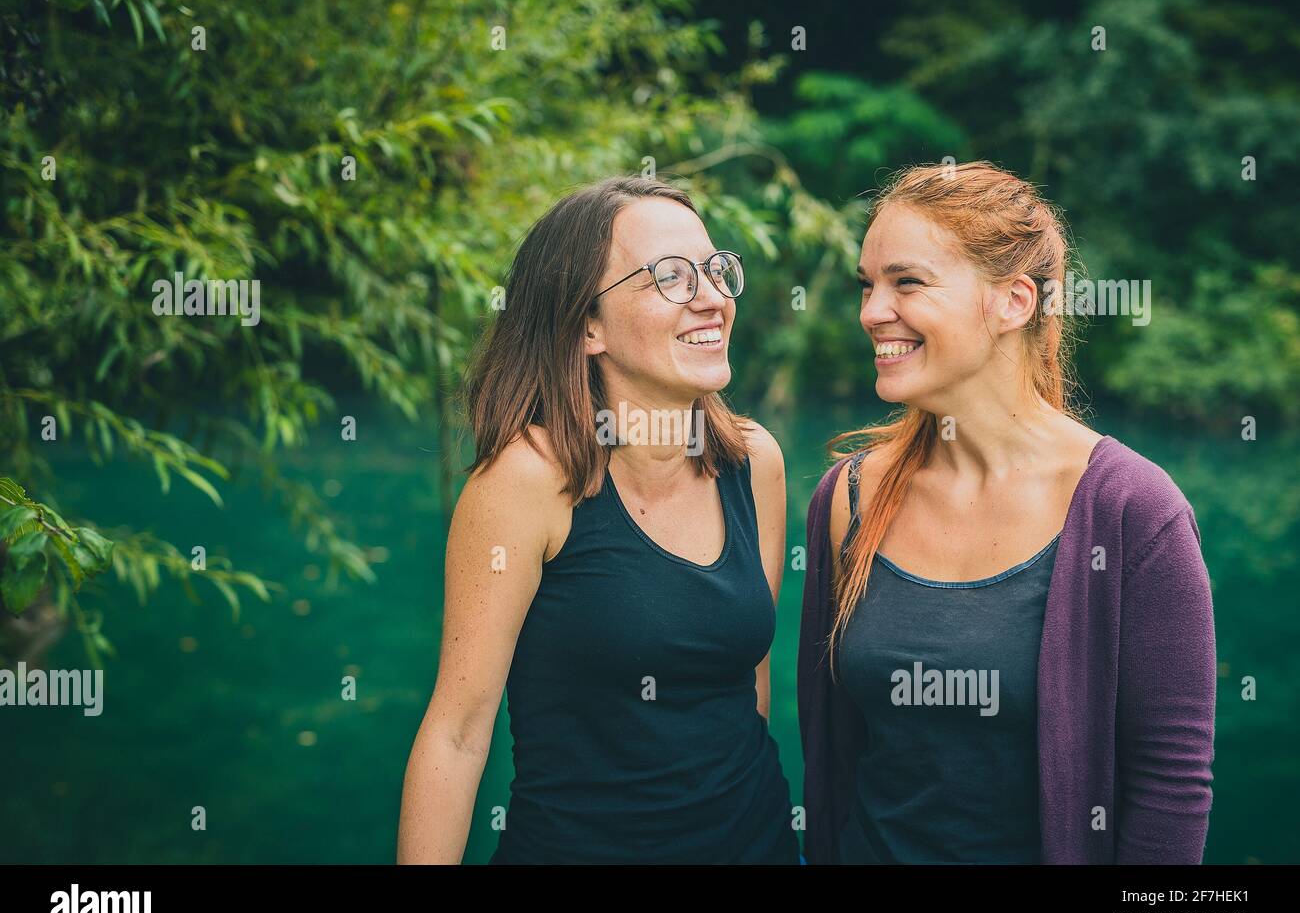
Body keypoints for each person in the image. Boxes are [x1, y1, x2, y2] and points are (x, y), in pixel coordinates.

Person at [798, 160, 1216, 864]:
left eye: (906, 282)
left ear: (1013, 302)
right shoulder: (848, 498)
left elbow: (1170, 788)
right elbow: (831, 757)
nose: (871, 310)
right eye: (867, 286)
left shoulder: (1134, 512)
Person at [398, 175, 799, 864]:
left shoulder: (753, 461)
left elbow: (746, 682)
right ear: (588, 326)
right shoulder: (526, 484)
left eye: (715, 269)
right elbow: (459, 732)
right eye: (669, 277)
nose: (711, 297)